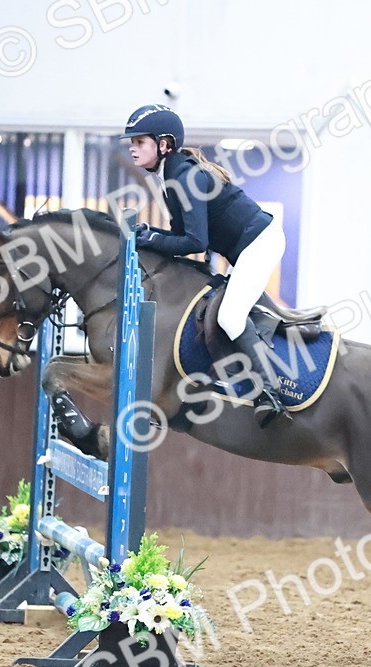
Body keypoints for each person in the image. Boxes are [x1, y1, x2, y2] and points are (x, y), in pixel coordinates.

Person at [119, 104, 288, 429]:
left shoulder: (185, 177)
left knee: (229, 316)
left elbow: (195, 242)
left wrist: (152, 238)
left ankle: (270, 391)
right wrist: (151, 236)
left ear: (164, 145)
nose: (132, 148)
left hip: (261, 243)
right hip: (246, 248)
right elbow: (182, 237)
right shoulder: (171, 178)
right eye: (132, 142)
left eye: (139, 142)